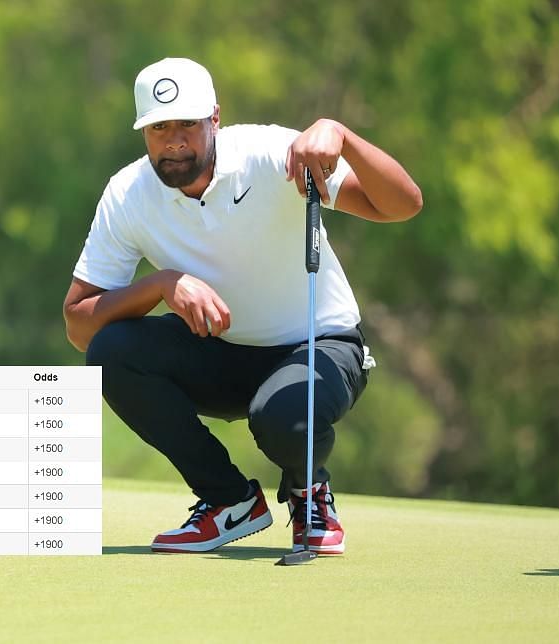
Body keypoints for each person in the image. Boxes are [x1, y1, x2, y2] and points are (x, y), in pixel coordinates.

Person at [63, 58, 422, 554]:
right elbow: (80, 325)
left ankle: (309, 491)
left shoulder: (273, 154)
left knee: (283, 416)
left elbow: (403, 205)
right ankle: (228, 502)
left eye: (187, 124)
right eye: (158, 127)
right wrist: (162, 284)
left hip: (320, 348)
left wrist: (342, 135)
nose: (173, 141)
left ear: (215, 119)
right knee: (112, 351)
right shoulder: (128, 194)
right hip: (225, 352)